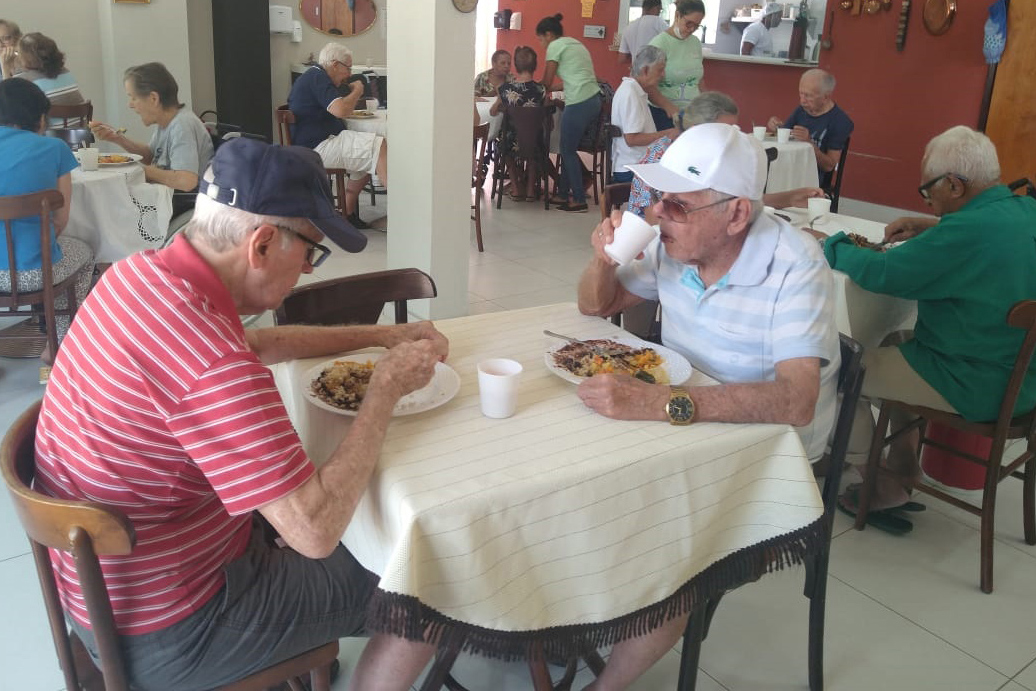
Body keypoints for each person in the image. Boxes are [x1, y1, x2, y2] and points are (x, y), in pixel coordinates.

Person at [33, 136, 447, 691]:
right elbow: (315, 531)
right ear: (262, 244)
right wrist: (385, 388)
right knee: (429, 579)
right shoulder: (209, 359)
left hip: (100, 592)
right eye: (309, 253)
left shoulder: (138, 275)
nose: (306, 271)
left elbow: (255, 346)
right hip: (174, 629)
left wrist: (381, 335)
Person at [573, 122, 838, 687]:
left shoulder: (797, 265)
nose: (658, 215)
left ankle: (606, 682)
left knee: (665, 548)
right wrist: (603, 258)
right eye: (656, 199)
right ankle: (576, 618)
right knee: (572, 476)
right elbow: (598, 305)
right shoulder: (677, 244)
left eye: (677, 204)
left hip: (768, 455)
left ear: (736, 214)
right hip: (685, 422)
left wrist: (661, 404)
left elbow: (797, 402)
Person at [806, 126, 1036, 531]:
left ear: (954, 184)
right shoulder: (1024, 210)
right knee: (896, 339)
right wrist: (931, 226)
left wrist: (831, 243)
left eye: (928, 190)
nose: (928, 199)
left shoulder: (965, 233)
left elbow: (883, 273)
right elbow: (986, 238)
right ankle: (904, 465)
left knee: (840, 363)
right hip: (1022, 374)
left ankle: (874, 479)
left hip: (972, 380)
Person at [0, 77, 93, 364]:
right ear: (40, 117)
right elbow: (60, 220)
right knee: (84, 253)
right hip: (34, 274)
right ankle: (59, 345)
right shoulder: (55, 150)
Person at [628, 91, 824, 220]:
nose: (732, 137)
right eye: (725, 130)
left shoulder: (713, 157)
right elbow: (655, 220)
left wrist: (790, 198)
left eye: (735, 129)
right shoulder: (662, 156)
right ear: (698, 129)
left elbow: (731, 200)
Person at [288, 42, 389, 230]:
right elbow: (341, 110)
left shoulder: (316, 76)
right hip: (317, 147)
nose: (349, 73)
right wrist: (358, 91)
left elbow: (338, 108)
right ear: (335, 64)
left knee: (370, 154)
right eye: (348, 68)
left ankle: (346, 213)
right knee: (380, 146)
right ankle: (404, 212)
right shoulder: (317, 77)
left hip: (317, 142)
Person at [89, 62, 213, 203]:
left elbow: (186, 181)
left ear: (154, 98)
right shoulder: (166, 122)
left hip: (182, 202)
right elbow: (151, 155)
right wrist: (118, 139)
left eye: (133, 97)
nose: (130, 104)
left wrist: (141, 171)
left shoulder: (182, 125)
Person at [537, 13, 601, 214]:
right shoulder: (574, 44)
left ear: (548, 34)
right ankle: (563, 193)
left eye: (540, 39)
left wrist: (532, 89)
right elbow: (569, 80)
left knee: (567, 150)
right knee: (568, 148)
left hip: (579, 101)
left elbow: (546, 83)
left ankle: (579, 199)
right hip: (593, 99)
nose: (541, 44)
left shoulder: (555, 47)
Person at [766, 68, 854, 188]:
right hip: (788, 170)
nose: (802, 100)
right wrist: (777, 127)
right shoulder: (801, 110)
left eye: (808, 96)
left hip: (811, 179)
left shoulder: (840, 121)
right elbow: (785, 136)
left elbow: (829, 166)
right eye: (801, 93)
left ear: (826, 97)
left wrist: (809, 144)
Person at [610, 45, 676, 184]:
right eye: (660, 70)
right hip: (631, 169)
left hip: (640, 163)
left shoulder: (635, 90)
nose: (663, 74)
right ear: (645, 70)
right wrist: (668, 133)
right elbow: (632, 139)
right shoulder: (630, 93)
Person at [490, 45, 546, 202]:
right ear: (535, 65)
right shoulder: (541, 89)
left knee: (504, 145)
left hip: (512, 141)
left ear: (515, 65)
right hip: (535, 141)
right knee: (534, 149)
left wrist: (501, 106)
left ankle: (515, 187)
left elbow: (493, 111)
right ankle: (530, 191)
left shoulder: (504, 89)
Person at [646, 0, 706, 131]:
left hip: (692, 113)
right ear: (677, 15)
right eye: (689, 23)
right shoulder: (659, 43)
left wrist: (706, 103)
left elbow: (698, 78)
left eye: (696, 26)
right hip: (664, 115)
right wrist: (672, 110)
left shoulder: (695, 43)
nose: (691, 30)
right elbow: (648, 85)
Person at [3, 32, 86, 107]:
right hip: (81, 123)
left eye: (18, 53)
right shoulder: (65, 72)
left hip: (48, 124)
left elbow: (8, 104)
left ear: (27, 58)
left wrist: (5, 67)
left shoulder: (26, 80)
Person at [617, 0, 668, 72]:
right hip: (653, 73)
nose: (659, 13)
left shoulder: (628, 27)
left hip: (636, 73)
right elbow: (673, 43)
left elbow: (622, 58)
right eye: (660, 10)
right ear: (657, 8)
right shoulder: (658, 22)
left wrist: (637, 56)